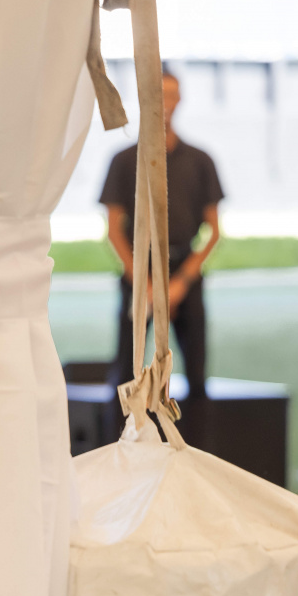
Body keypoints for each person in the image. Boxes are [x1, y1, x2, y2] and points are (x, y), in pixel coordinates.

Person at [102, 69, 223, 401]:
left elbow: (213, 232)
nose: (164, 104)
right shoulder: (124, 161)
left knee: (196, 371)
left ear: (180, 99)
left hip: (184, 270)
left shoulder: (200, 161)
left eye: (170, 95)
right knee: (126, 368)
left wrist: (180, 282)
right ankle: (121, 429)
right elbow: (113, 229)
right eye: (157, 96)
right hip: (140, 271)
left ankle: (195, 429)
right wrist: (145, 284)